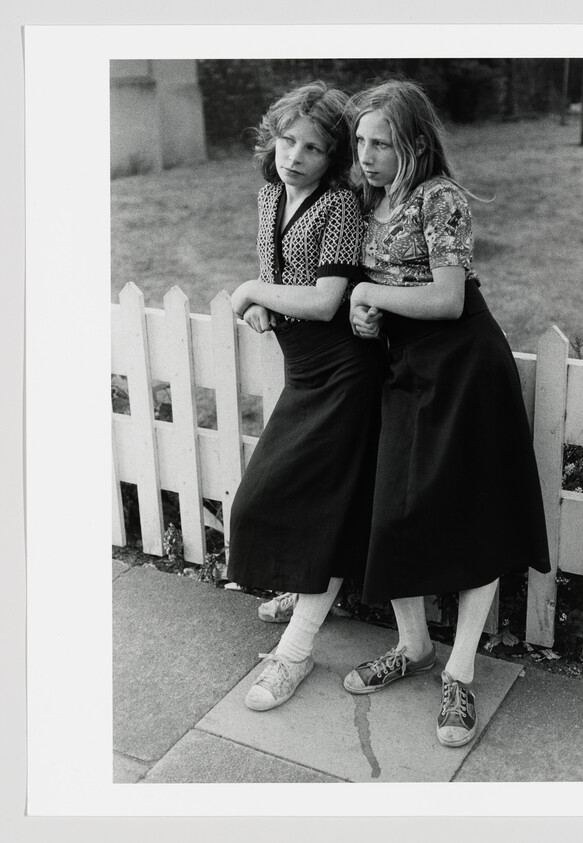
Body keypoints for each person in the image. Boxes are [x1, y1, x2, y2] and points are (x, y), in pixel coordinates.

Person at [344, 80, 551, 747]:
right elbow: (383, 298)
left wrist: (372, 292)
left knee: (472, 516)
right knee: (391, 509)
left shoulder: (441, 199)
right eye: (361, 141)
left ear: (415, 142)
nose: (367, 154)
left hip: (463, 367)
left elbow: (445, 299)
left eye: (382, 142)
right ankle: (412, 645)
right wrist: (363, 312)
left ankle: (458, 671)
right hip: (405, 370)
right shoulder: (370, 203)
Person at [228, 82, 384, 712]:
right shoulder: (270, 194)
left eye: (314, 148)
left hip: (346, 372)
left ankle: (295, 653)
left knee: (324, 505)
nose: (295, 156)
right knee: (266, 498)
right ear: (274, 137)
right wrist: (264, 301)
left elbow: (325, 299)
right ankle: (305, 581)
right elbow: (279, 278)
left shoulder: (340, 204)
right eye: (288, 140)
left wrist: (249, 291)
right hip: (303, 369)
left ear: (333, 155)